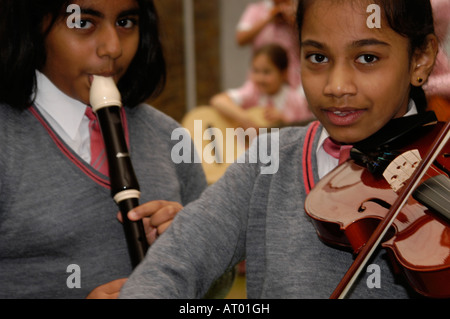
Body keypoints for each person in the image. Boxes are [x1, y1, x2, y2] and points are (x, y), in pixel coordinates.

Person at [117, 0, 443, 299]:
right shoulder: (268, 161)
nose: (336, 86)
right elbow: (179, 255)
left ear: (421, 59)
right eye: (318, 57)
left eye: (367, 58)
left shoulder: (441, 160)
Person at [0, 0, 209, 299]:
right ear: (32, 27)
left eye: (126, 23)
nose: (113, 48)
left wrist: (194, 251)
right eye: (83, 23)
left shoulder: (167, 135)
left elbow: (217, 284)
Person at [210, 43, 313, 130]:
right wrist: (246, 120)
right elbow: (218, 100)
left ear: (283, 73)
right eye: (256, 71)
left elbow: (306, 131)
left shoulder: (296, 101)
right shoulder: (253, 91)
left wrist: (285, 121)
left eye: (266, 72)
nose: (259, 78)